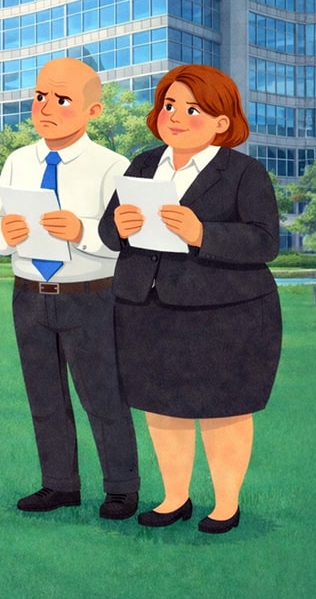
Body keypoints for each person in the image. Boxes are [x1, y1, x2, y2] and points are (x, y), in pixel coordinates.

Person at [98, 63, 282, 534]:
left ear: (222, 121)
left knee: (224, 410)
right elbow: (108, 228)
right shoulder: (142, 163)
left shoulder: (244, 172)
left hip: (224, 314)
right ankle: (175, 497)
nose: (175, 116)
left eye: (192, 108)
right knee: (160, 407)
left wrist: (202, 233)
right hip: (146, 308)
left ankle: (225, 504)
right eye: (169, 105)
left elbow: (265, 243)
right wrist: (118, 228)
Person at [0, 57, 140, 520]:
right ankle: (59, 484)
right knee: (44, 396)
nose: (46, 107)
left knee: (103, 395)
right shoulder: (17, 161)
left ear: (94, 111)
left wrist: (82, 230)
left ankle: (121, 488)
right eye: (39, 97)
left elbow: (129, 240)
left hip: (91, 295)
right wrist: (4, 235)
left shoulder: (113, 167)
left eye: (62, 99)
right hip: (29, 295)